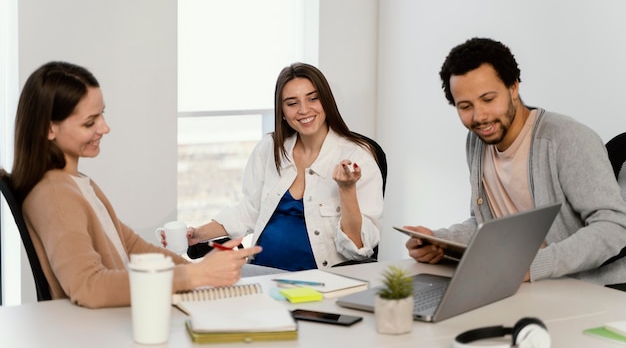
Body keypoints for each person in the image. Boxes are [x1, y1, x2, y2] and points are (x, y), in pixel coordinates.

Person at [4, 61, 261, 308]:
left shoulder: (76, 184)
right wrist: (195, 277)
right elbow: (88, 286)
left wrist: (199, 272)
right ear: (50, 129)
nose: (105, 128)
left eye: (102, 114)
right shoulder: (55, 195)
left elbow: (132, 247)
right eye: (90, 122)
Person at [404, 37, 626, 285]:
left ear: (513, 87)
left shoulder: (566, 139)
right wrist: (440, 241)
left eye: (488, 99)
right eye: (465, 106)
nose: (479, 116)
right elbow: (487, 223)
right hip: (521, 286)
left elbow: (614, 226)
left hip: (586, 289)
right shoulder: (477, 142)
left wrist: (534, 266)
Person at [164, 63, 384, 270]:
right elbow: (249, 210)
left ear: (326, 101)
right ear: (283, 112)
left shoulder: (358, 157)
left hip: (319, 281)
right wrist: (197, 234)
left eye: (313, 99)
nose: (304, 110)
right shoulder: (270, 148)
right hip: (260, 273)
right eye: (292, 103)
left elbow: (359, 249)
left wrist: (347, 189)